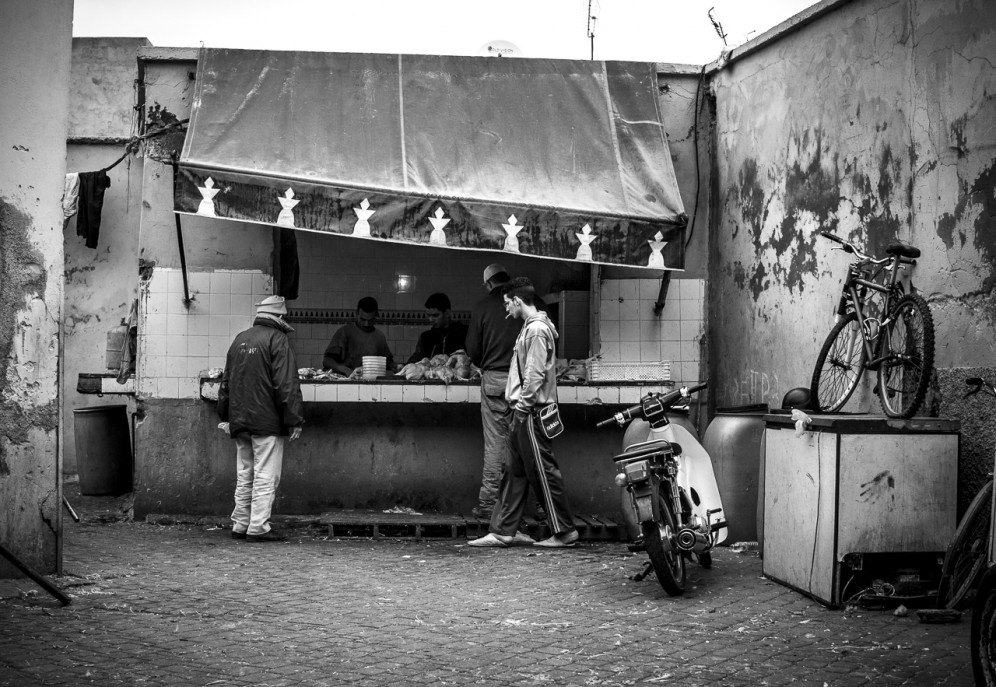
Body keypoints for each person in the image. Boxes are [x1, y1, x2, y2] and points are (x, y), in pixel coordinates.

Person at [469, 277, 579, 548]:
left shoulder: (537, 330)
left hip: (532, 412)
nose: (506, 309)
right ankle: (504, 530)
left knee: (543, 471)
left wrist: (521, 408)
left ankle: (565, 532)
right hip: (527, 410)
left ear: (517, 301)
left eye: (507, 303)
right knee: (514, 471)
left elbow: (534, 376)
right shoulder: (530, 327)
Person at [217, 295, 304, 543]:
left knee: (245, 474)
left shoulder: (240, 339)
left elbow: (226, 382)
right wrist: (294, 419)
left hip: (240, 419)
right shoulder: (277, 340)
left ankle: (240, 524)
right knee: (266, 475)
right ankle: (258, 527)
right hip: (266, 421)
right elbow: (286, 383)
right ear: (279, 317)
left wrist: (225, 414)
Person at [322, 296, 394, 376]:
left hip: (370, 383)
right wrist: (347, 371)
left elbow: (388, 363)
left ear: (376, 315)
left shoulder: (379, 336)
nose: (366, 324)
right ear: (357, 313)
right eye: (363, 319)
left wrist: (396, 366)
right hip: (345, 382)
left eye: (370, 320)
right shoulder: (344, 333)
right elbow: (327, 361)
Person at [407, 292, 468, 363]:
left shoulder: (464, 333)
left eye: (435, 315)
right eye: (429, 316)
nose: (431, 320)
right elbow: (416, 359)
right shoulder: (426, 337)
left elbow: (473, 358)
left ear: (447, 313)